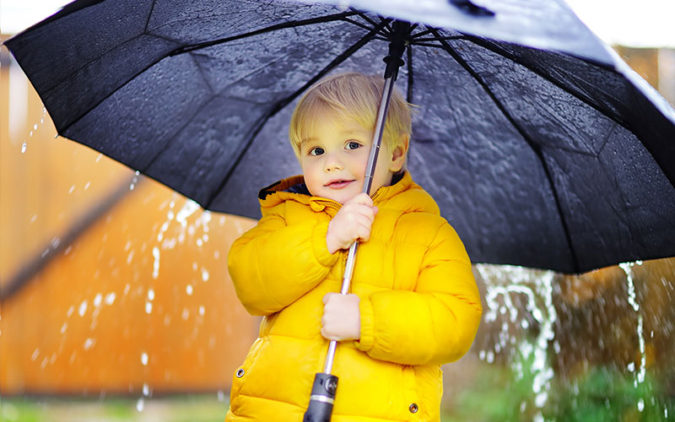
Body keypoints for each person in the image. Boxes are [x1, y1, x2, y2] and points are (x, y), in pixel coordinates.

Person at [225, 72, 482, 422]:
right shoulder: (287, 217)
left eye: (352, 145)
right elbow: (251, 281)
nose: (331, 162)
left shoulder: (427, 232)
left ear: (395, 153)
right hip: (273, 410)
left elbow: (456, 320)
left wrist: (367, 320)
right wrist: (326, 239)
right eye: (316, 150)